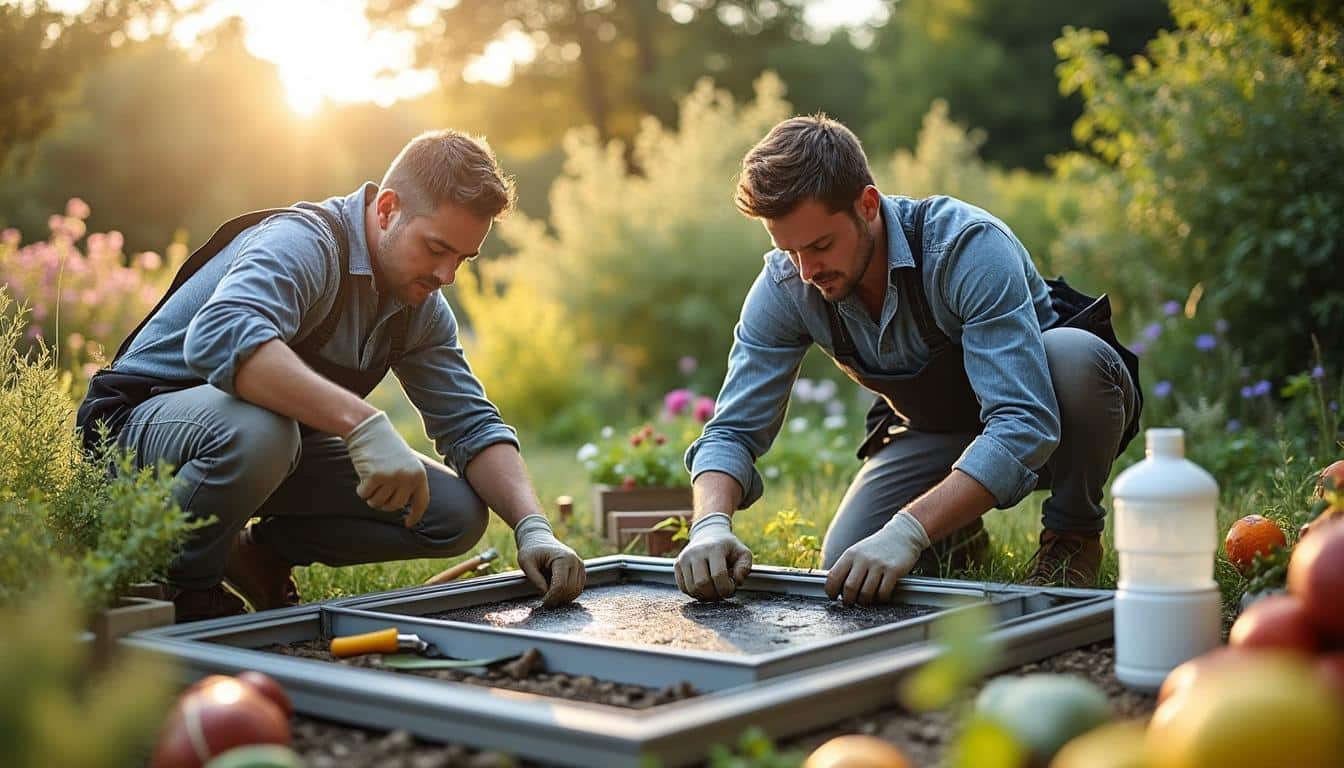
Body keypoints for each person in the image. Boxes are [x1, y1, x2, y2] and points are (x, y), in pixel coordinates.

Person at [77, 130, 585, 622]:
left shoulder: (419, 305)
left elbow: (470, 425)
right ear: (387, 209)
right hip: (133, 435)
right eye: (436, 249)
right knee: (260, 431)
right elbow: (220, 335)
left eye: (462, 258)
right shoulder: (304, 243)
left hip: (259, 451)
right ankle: (184, 587)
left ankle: (258, 553)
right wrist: (362, 423)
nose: (446, 275)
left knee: (452, 514)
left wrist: (533, 527)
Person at [673, 116, 1141, 605]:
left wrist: (908, 532)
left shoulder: (966, 248)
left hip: (1053, 421)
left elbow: (1024, 422)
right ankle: (955, 537)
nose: (807, 271)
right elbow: (732, 431)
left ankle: (1072, 535)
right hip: (935, 431)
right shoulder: (786, 285)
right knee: (848, 562)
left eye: (820, 246)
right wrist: (709, 524)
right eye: (788, 250)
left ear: (867, 204)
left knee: (1074, 356)